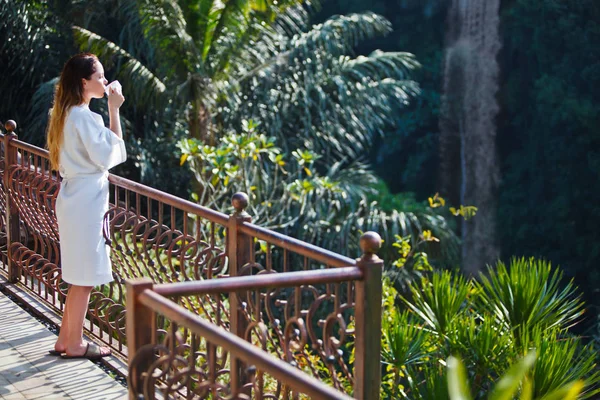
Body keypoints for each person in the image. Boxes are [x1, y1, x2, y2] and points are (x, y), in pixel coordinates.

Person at [46, 53, 126, 360]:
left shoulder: (65, 113)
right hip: (86, 202)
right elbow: (109, 156)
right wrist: (114, 111)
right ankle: (76, 344)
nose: (104, 82)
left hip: (73, 197)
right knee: (84, 279)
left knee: (78, 274)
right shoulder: (83, 116)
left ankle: (64, 340)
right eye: (100, 78)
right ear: (84, 82)